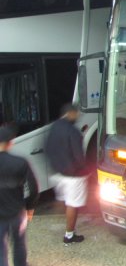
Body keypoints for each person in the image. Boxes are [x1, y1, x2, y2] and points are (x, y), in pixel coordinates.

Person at [0, 126, 38, 266]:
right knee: (19, 244)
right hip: (17, 213)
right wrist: (29, 208)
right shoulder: (20, 162)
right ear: (10, 143)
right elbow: (33, 187)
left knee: (1, 254)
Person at [44, 104, 89, 245]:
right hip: (72, 176)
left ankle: (62, 224)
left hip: (57, 172)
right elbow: (79, 156)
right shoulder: (73, 131)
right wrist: (86, 171)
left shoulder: (54, 126)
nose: (78, 117)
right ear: (70, 113)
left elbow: (47, 148)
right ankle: (69, 236)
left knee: (63, 199)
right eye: (77, 114)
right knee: (72, 204)